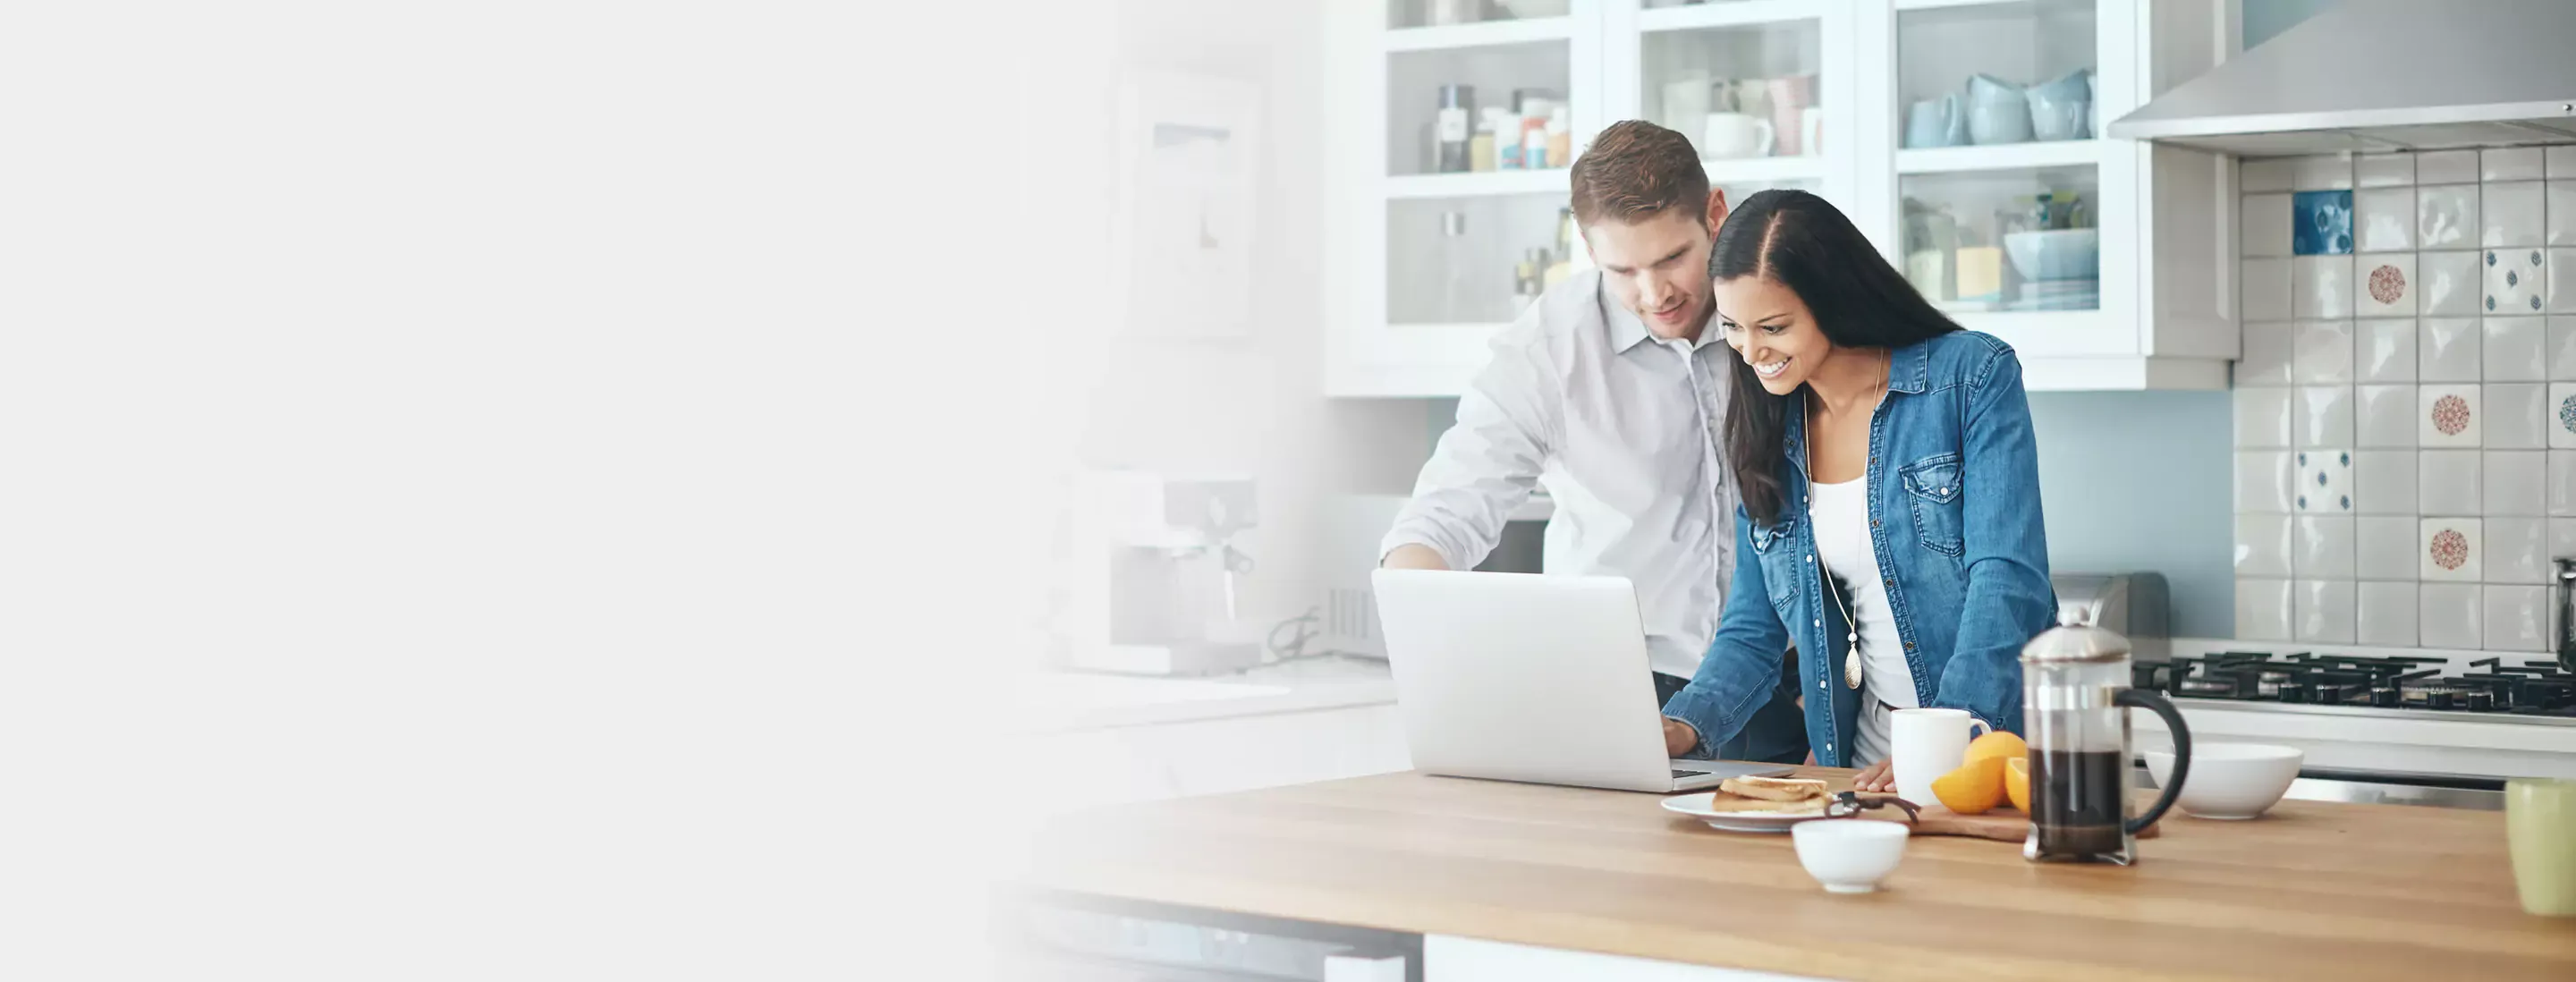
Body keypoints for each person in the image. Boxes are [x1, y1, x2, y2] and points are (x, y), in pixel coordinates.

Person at [1381, 121, 1805, 764]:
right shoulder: (1548, 352)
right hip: (1625, 694)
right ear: (1586, 246)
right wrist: (1431, 649)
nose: (1653, 293)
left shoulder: (1781, 320)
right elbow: (1444, 517)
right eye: (1622, 270)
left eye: (1671, 259)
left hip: (1792, 685)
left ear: (1715, 214)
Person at [1657, 189, 2055, 790]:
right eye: (1734, 327)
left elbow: (2008, 580)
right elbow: (1752, 629)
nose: (1750, 351)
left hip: (1983, 764)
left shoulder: (1969, 378)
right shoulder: (1767, 432)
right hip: (1857, 780)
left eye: (1774, 326)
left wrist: (1945, 741)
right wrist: (1680, 726)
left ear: (1833, 300)